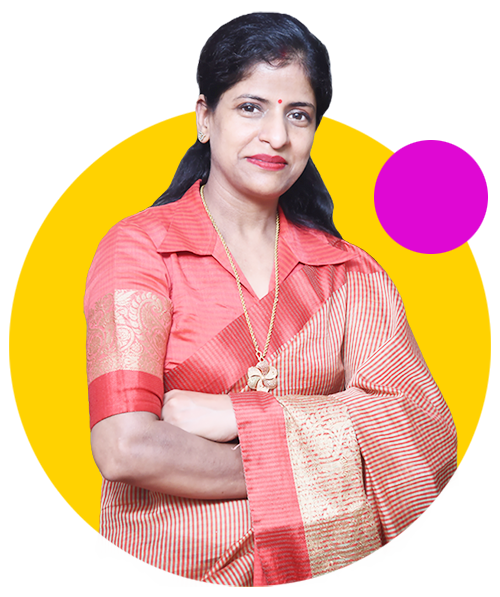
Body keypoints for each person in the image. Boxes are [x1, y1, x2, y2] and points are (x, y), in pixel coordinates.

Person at [85, 12, 471, 587]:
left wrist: (234, 417)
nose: (277, 136)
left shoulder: (348, 273)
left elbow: (422, 430)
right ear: (204, 118)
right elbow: (125, 447)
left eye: (299, 115)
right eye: (251, 107)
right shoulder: (142, 250)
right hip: (171, 575)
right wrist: (312, 468)